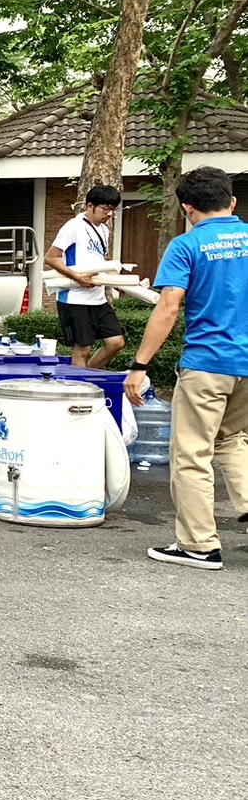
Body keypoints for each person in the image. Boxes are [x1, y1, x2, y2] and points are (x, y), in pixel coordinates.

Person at [125, 167, 248, 571]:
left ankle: (198, 545)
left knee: (192, 453)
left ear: (187, 208)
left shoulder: (186, 245)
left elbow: (168, 307)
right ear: (232, 202)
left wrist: (140, 365)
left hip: (207, 364)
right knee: (233, 439)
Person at [44, 185, 126, 368]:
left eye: (113, 210)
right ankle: (80, 383)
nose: (110, 214)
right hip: (75, 299)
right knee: (83, 350)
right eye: (106, 209)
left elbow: (100, 260)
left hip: (98, 299)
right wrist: (77, 277)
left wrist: (117, 281)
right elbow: (51, 257)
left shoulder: (104, 230)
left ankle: (87, 376)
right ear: (90, 206)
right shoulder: (73, 226)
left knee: (116, 342)